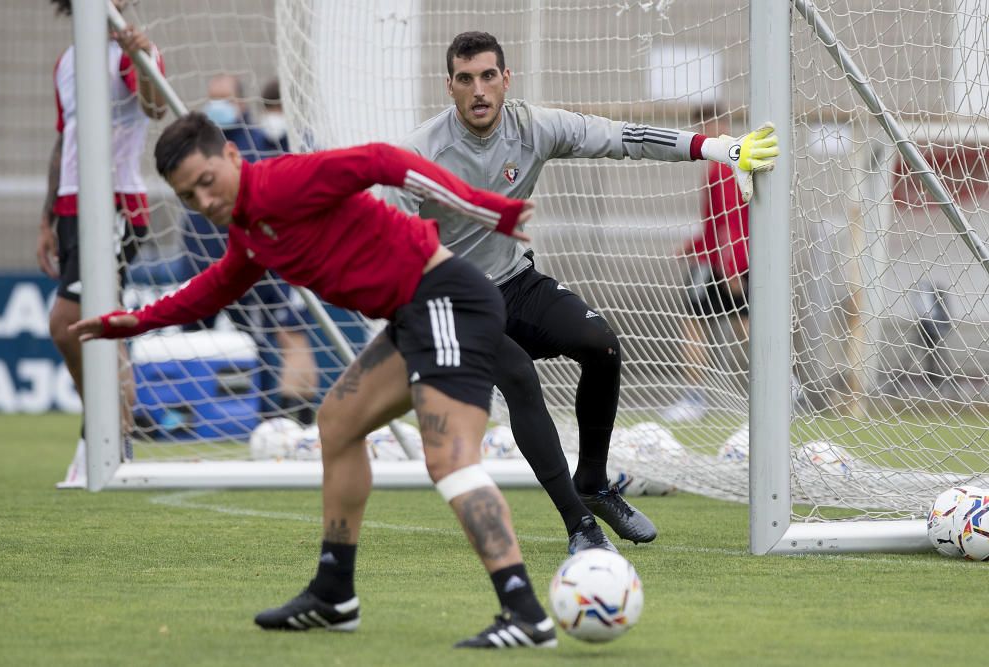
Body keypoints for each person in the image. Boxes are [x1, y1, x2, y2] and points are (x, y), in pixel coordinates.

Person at [69, 112, 557, 649]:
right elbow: (213, 289)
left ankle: (525, 612)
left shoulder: (280, 182)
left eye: (206, 182)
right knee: (338, 422)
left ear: (231, 156)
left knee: (450, 462)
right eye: (189, 197)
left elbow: (381, 161)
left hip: (447, 300)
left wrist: (487, 209)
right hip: (412, 315)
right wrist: (136, 321)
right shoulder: (250, 231)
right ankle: (333, 594)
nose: (203, 201)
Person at [382, 32, 778, 549]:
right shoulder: (419, 154)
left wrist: (714, 147)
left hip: (515, 283)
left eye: (486, 76)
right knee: (520, 378)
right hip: (452, 302)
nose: (477, 90)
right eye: (464, 79)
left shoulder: (535, 126)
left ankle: (592, 484)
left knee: (602, 344)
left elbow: (623, 138)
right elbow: (386, 240)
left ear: (506, 80)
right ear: (449, 86)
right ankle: (580, 526)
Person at [38, 0, 166, 487]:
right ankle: (113, 437)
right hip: (71, 208)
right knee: (98, 325)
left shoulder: (133, 52)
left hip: (116, 204)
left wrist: (140, 58)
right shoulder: (67, 61)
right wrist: (46, 219)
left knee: (65, 321)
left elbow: (154, 107)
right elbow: (63, 140)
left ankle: (103, 434)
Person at [178, 73, 318, 425]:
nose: (217, 108)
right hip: (204, 261)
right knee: (193, 339)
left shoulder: (262, 145)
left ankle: (288, 419)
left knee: (282, 337)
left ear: (242, 103)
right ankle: (189, 416)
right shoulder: (197, 149)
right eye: (213, 99)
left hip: (265, 262)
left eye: (224, 99)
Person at [661, 107, 751, 423]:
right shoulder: (718, 165)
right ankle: (786, 387)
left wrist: (731, 267)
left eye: (715, 125)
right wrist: (692, 247)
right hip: (725, 259)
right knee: (734, 324)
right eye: (705, 126)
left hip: (726, 264)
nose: (710, 131)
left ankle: (694, 399)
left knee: (715, 324)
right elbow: (716, 226)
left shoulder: (724, 167)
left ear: (724, 127)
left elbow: (731, 223)